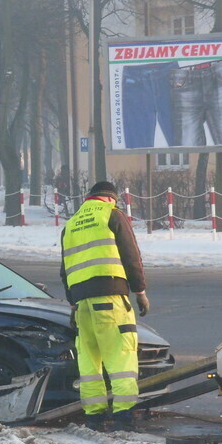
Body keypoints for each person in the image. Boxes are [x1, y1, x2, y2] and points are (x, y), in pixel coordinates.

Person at [60, 181, 149, 431]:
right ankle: (123, 416)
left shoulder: (71, 224)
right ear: (112, 199)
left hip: (81, 304)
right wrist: (140, 291)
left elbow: (64, 269)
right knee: (121, 359)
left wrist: (73, 303)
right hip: (110, 298)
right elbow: (131, 256)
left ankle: (94, 417)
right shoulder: (112, 215)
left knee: (89, 364)